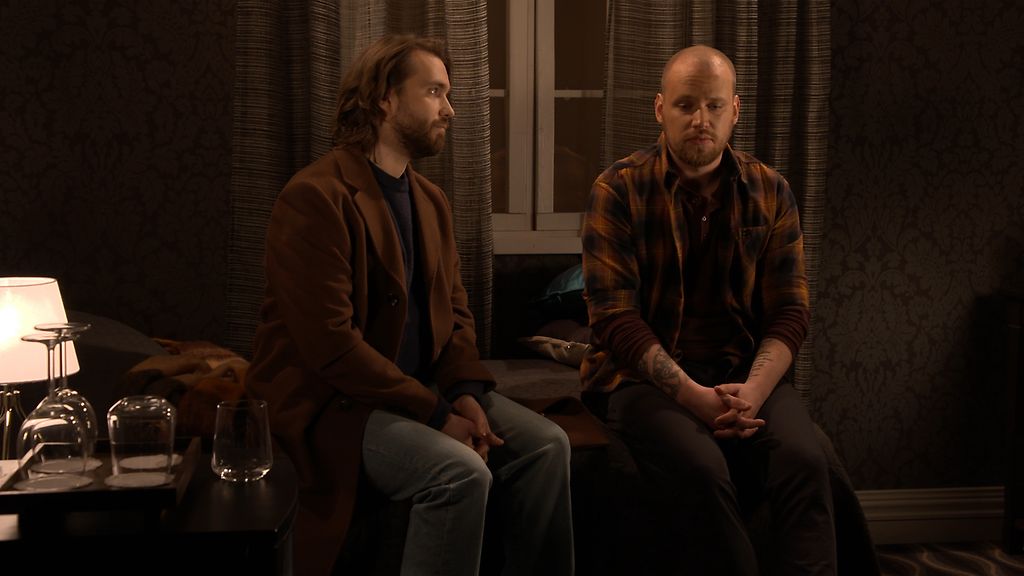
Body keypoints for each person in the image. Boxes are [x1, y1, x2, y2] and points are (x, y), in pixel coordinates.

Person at [246, 34, 574, 576]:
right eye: (434, 92)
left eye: (448, 94)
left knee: (548, 445)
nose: (450, 110)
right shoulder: (315, 197)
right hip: (336, 405)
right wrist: (438, 415)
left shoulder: (431, 200)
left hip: (423, 391)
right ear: (385, 99)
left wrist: (466, 392)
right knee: (461, 472)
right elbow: (332, 346)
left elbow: (457, 314)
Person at [580, 44, 836, 575]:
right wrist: (694, 398)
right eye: (685, 105)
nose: (701, 120)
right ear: (660, 109)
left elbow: (791, 310)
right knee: (702, 469)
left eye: (714, 106)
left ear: (735, 110)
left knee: (806, 459)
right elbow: (615, 319)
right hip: (642, 382)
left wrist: (754, 392)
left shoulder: (771, 190)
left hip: (743, 373)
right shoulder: (618, 189)